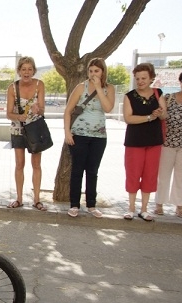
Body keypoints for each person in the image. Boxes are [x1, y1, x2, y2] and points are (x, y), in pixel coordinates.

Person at [63, 58, 116, 218]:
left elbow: (108, 108)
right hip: (79, 134)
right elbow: (68, 111)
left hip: (99, 136)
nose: (93, 74)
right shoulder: (81, 87)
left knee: (92, 171)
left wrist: (99, 88)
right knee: (77, 170)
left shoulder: (109, 88)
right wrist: (67, 132)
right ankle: (74, 205)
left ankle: (91, 204)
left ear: (103, 72)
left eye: (97, 71)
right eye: (91, 71)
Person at [122, 62, 167, 221]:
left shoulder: (158, 93)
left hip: (154, 141)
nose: (140, 81)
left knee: (150, 174)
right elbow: (128, 118)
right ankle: (131, 208)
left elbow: (164, 116)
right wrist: (148, 117)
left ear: (151, 78)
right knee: (133, 174)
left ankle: (144, 209)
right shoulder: (129, 96)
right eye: (138, 78)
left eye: (144, 78)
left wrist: (159, 112)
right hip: (134, 141)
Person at [6, 56, 47, 211]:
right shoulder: (12, 88)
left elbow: (42, 109)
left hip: (36, 128)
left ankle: (37, 199)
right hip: (18, 129)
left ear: (34, 70)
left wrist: (39, 109)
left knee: (36, 164)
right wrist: (18, 117)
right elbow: (9, 113)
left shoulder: (39, 85)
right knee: (19, 164)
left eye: (30, 69)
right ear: (19, 71)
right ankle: (19, 198)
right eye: (24, 69)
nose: (27, 72)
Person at [154, 67, 182, 219]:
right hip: (167, 143)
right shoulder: (169, 98)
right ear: (180, 81)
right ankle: (159, 204)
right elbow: (162, 116)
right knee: (163, 175)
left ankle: (179, 206)